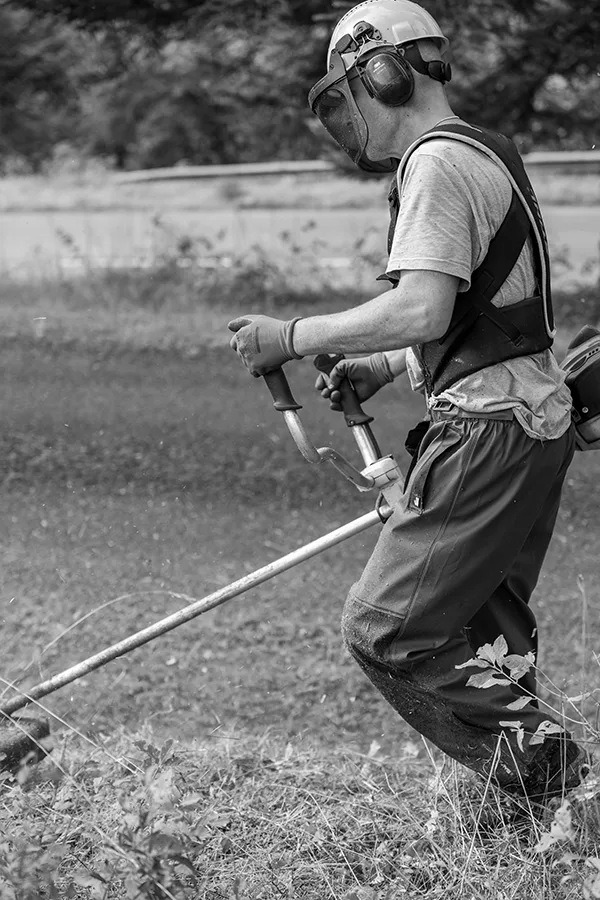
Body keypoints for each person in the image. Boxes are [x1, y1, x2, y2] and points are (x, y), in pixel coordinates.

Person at [228, 0, 586, 802]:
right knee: (487, 636)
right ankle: (546, 819)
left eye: (346, 93)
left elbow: (424, 307)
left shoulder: (433, 162)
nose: (347, 116)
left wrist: (294, 333)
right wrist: (385, 367)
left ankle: (559, 773)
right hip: (528, 419)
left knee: (387, 628)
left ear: (383, 74)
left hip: (489, 430)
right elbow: (483, 309)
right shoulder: (484, 149)